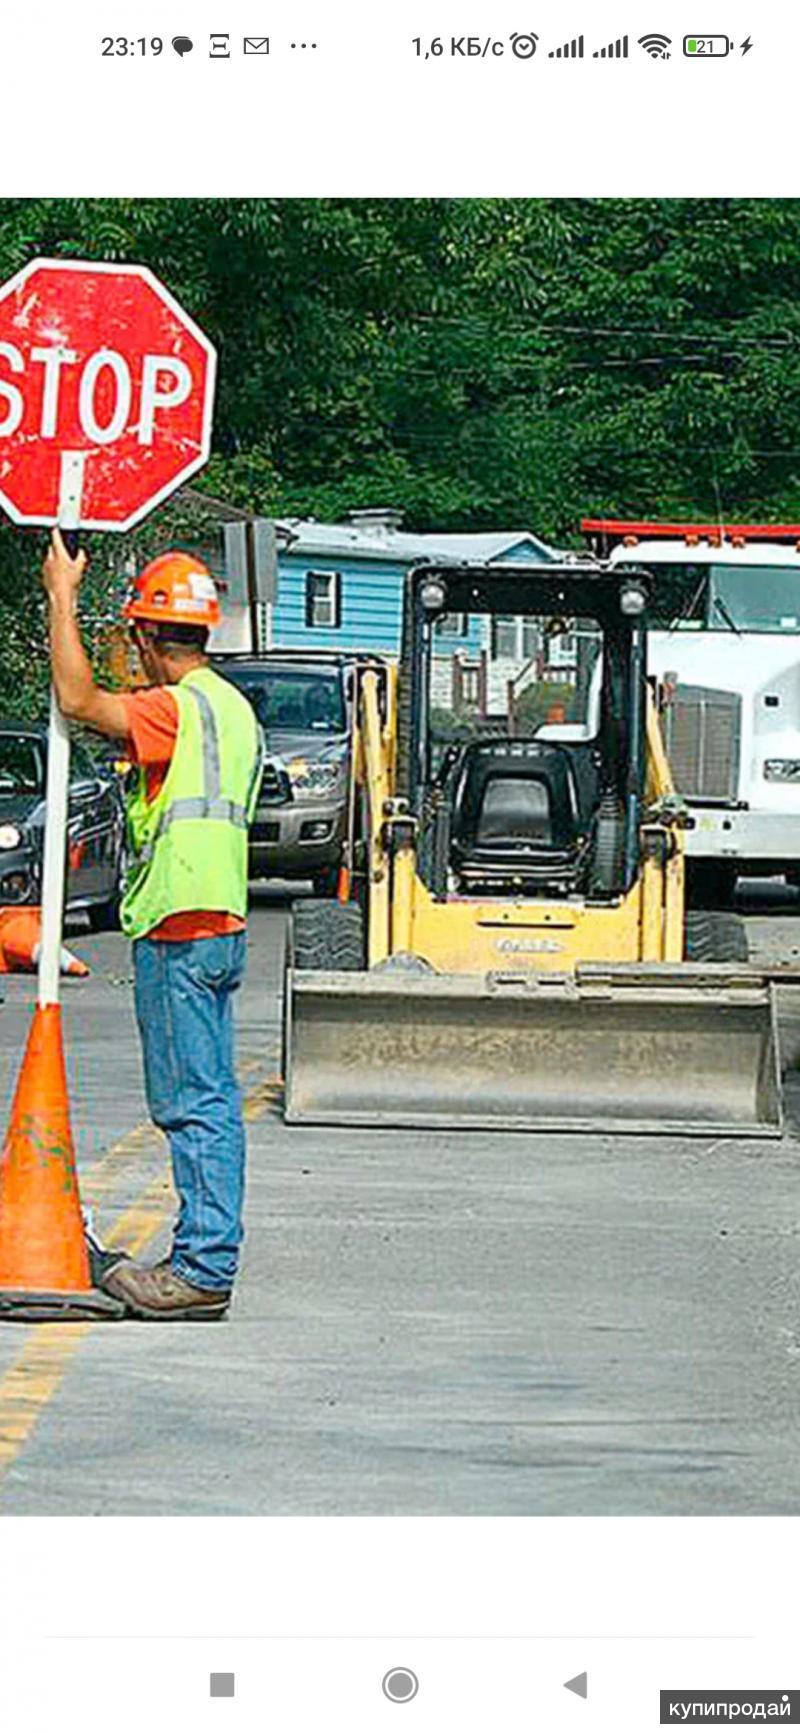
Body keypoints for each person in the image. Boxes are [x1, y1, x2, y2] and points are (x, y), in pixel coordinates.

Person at [42, 530, 264, 1320]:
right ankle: (205, 1258)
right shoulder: (231, 709)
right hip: (218, 922)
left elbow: (78, 701)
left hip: (182, 924)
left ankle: (203, 1267)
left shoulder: (177, 709)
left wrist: (60, 596)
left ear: (146, 637)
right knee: (209, 1096)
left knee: (193, 1102)